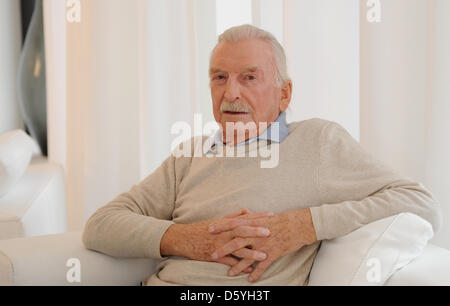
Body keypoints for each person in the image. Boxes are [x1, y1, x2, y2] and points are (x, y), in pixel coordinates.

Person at [82, 24, 442, 286]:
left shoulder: (316, 142)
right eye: (219, 77)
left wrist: (304, 225)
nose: (230, 93)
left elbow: (419, 203)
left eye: (249, 78)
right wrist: (185, 239)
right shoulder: (190, 153)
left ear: (284, 95)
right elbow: (100, 226)